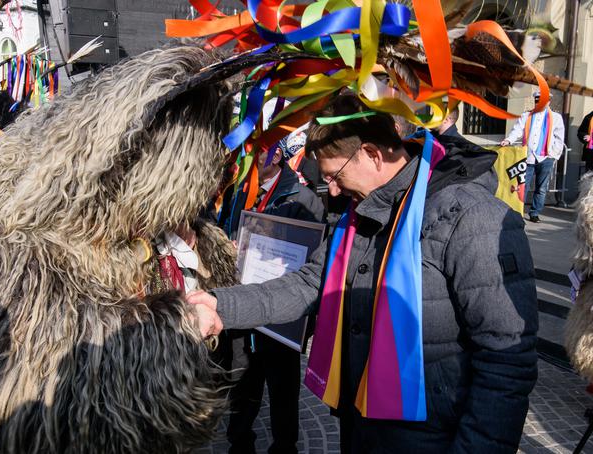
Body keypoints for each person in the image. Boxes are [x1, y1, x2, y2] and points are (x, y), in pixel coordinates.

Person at [191, 93, 538, 453]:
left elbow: (506, 362)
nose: (334, 190)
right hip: (363, 428)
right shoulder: (358, 216)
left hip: (433, 438)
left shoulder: (473, 218)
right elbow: (308, 284)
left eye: (335, 176)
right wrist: (219, 305)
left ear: (372, 154)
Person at [216, 145, 324, 454]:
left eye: (255, 154)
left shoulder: (303, 199)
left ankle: (284, 446)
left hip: (281, 316)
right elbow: (226, 228)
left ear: (275, 156)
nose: (246, 161)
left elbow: (312, 261)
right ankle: (240, 443)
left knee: (283, 389)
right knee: (241, 381)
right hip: (242, 306)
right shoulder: (240, 193)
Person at [501, 90, 564, 222]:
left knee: (541, 188)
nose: (539, 103)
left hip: (545, 157)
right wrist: (508, 140)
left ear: (548, 101)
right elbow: (517, 130)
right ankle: (518, 211)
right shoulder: (526, 115)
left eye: (542, 100)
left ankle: (534, 213)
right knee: (523, 185)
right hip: (528, 156)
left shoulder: (556, 117)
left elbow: (559, 137)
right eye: (537, 100)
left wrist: (553, 155)